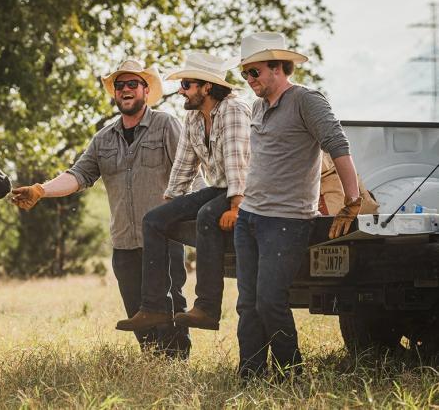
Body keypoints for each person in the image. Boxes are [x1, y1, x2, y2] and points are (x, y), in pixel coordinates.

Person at [11, 59, 191, 357]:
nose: (125, 90)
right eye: (119, 86)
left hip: (164, 238)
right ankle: (153, 364)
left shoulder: (166, 125)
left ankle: (176, 366)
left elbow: (189, 172)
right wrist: (41, 190)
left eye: (132, 84)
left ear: (146, 90)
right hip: (124, 241)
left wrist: (196, 216)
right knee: (136, 309)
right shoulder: (104, 139)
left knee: (169, 304)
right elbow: (78, 175)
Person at [234, 32, 363, 379]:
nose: (249, 80)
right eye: (244, 74)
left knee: (270, 301)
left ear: (278, 67)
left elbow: (337, 143)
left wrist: (352, 200)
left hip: (286, 220)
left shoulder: (307, 100)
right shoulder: (259, 106)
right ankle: (251, 373)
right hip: (250, 217)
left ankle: (291, 373)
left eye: (254, 72)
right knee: (247, 304)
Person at [115, 52, 251, 333]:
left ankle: (207, 308)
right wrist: (169, 206)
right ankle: (152, 308)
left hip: (247, 187)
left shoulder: (233, 110)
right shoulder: (194, 118)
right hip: (219, 187)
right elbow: (184, 165)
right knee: (154, 220)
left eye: (187, 84)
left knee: (206, 216)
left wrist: (237, 205)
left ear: (207, 87)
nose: (181, 91)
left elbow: (239, 162)